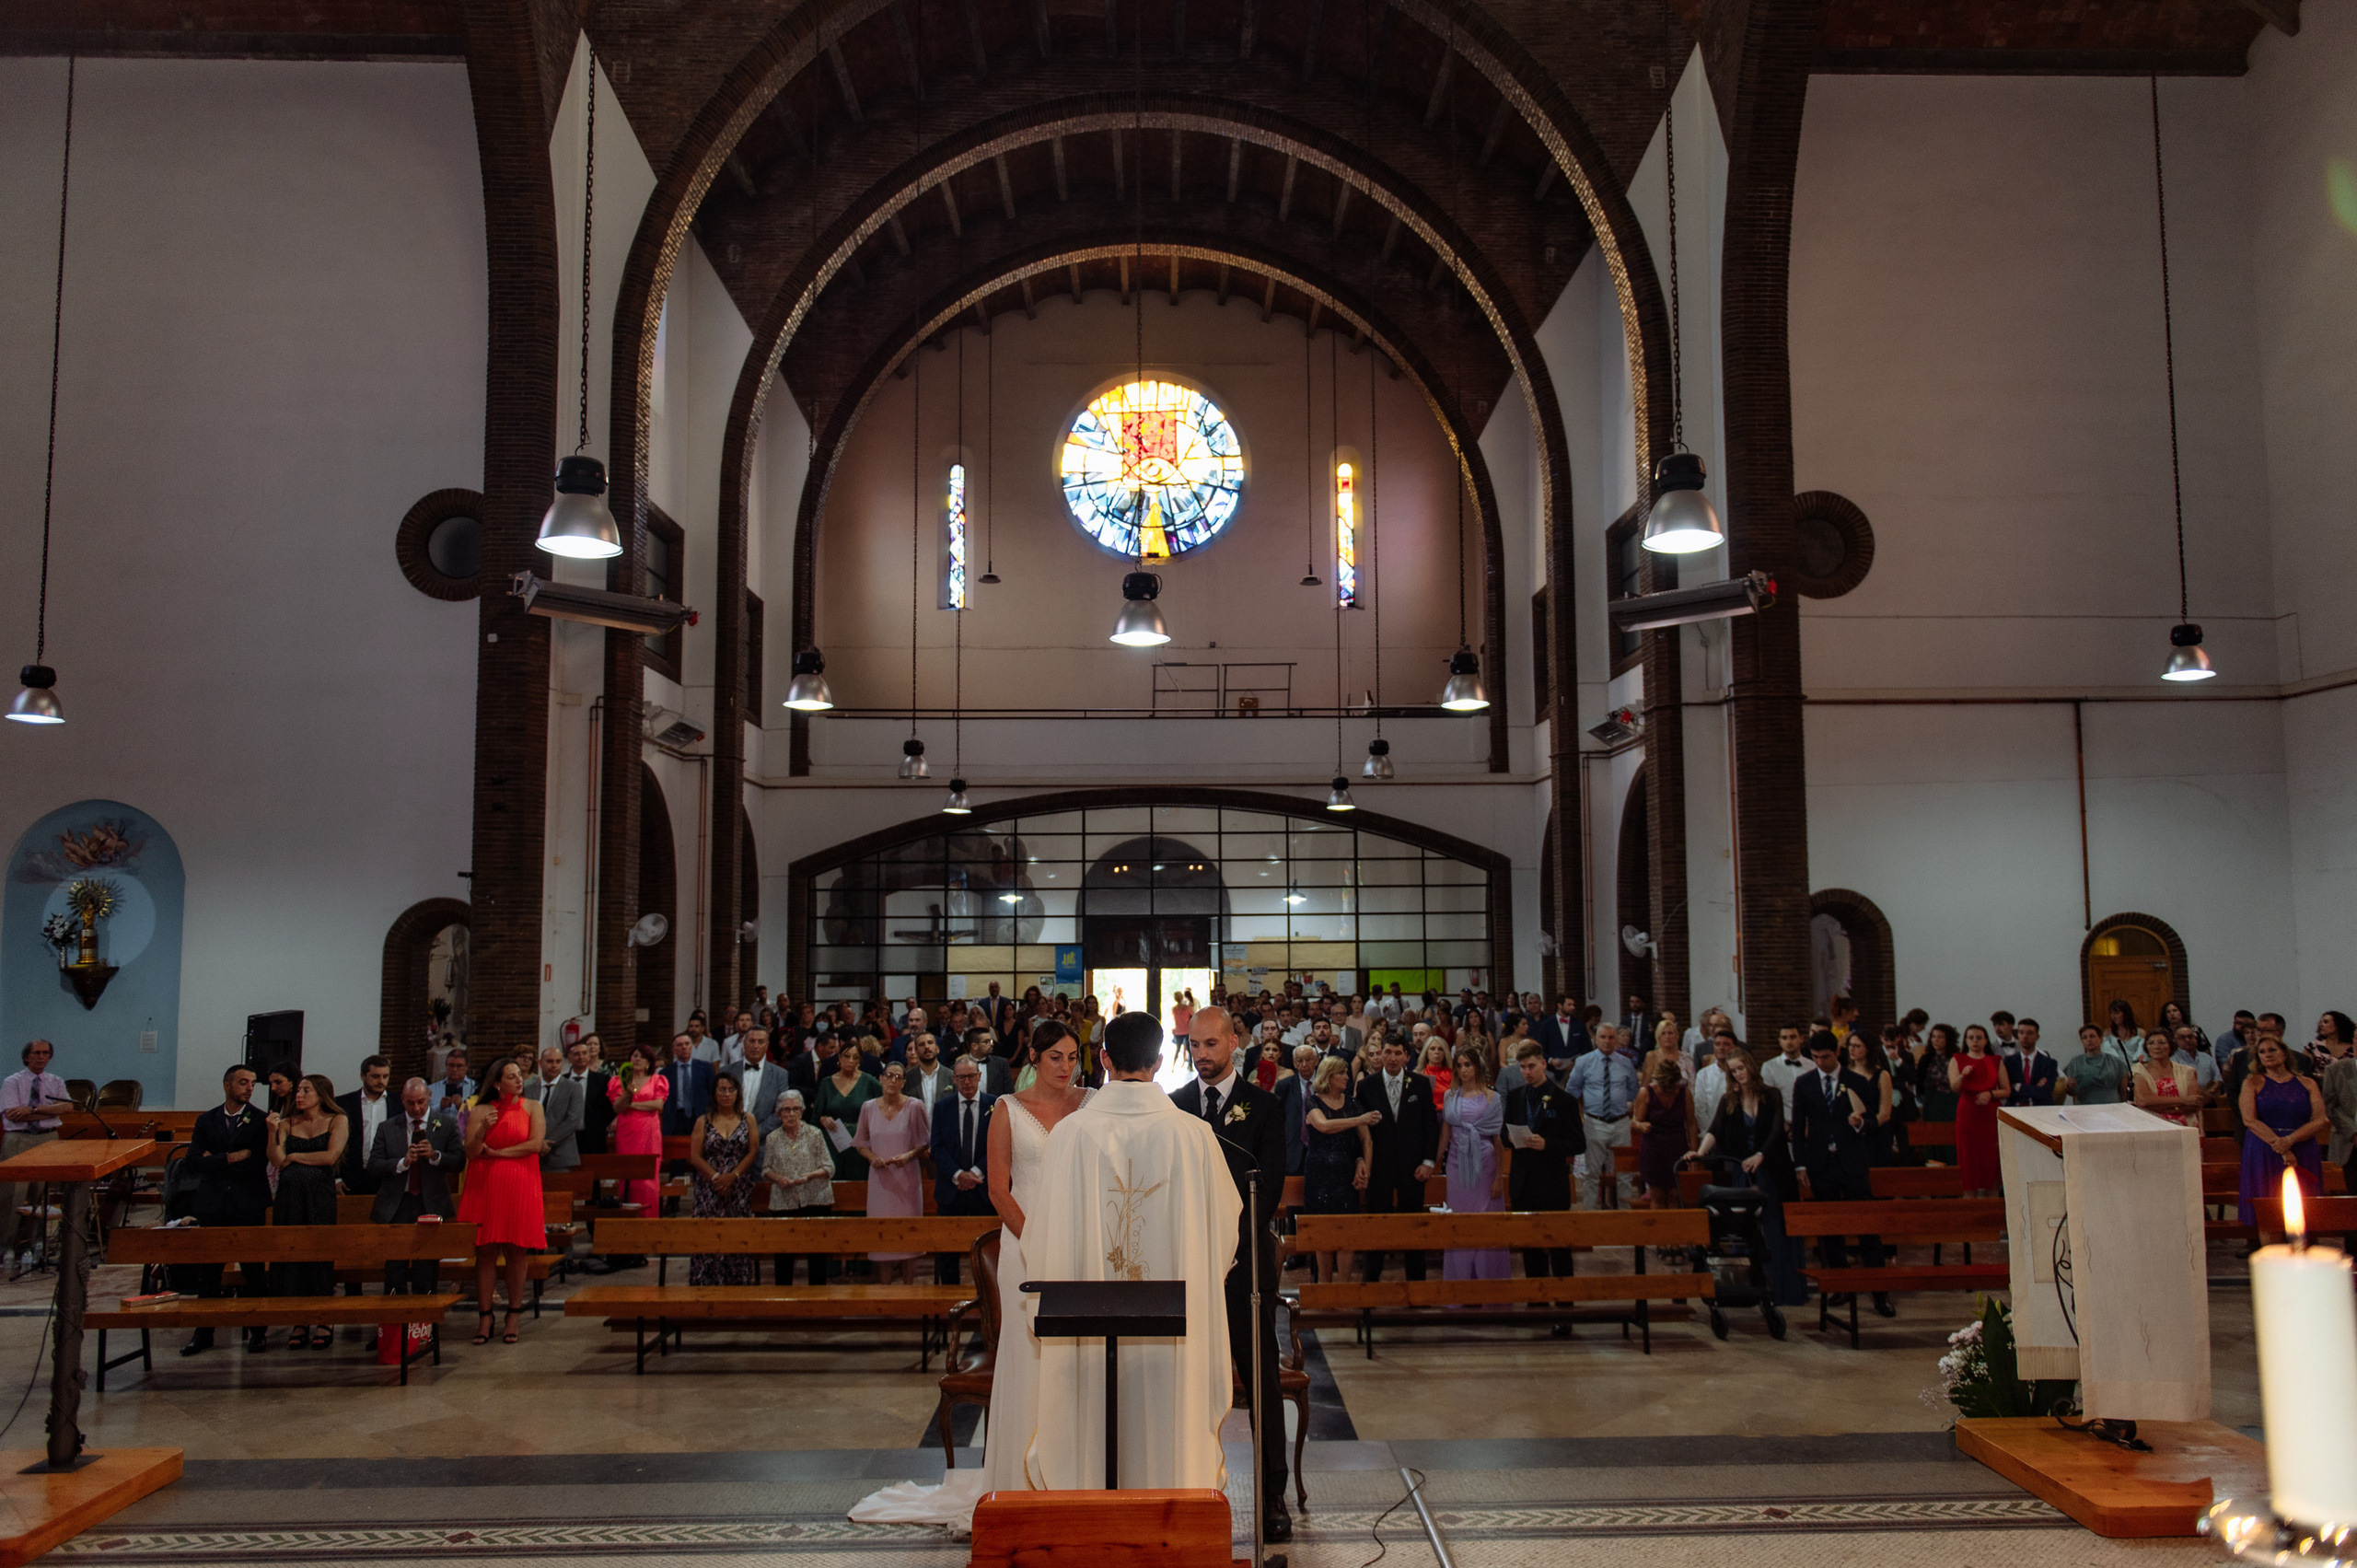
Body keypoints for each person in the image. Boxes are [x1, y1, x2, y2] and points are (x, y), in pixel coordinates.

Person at [1167, 1006, 1289, 1539]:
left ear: (1234, 1043)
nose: (1203, 1055)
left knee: (1260, 1379)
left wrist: (1233, 1245)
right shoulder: (1174, 1108)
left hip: (1244, 1269)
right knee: (1185, 1383)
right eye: (1195, 1046)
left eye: (1212, 1045)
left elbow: (1272, 1184)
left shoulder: (1262, 1106)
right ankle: (1188, 1490)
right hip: (1191, 1268)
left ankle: (1273, 1497)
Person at [1682, 1050, 1805, 1305]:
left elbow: (1775, 1132)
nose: (1739, 1074)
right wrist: (1700, 1152)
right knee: (1744, 1227)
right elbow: (1715, 1129)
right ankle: (1747, 1290)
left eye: (1741, 1068)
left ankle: (1779, 1290)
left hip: (1772, 1170)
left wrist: (1761, 1154)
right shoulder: (1730, 1099)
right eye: (1733, 1071)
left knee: (1772, 1230)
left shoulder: (1771, 1095)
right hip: (1744, 1172)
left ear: (1750, 1066)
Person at [175, 1064, 273, 1355]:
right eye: (243, 1082)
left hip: (248, 1202)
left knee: (253, 1271)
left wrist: (214, 1159)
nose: (249, 1088)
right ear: (227, 1085)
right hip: (213, 1202)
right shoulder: (207, 1120)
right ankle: (203, 1333)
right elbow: (192, 1162)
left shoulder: (259, 1120)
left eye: (253, 1083)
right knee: (210, 1273)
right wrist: (230, 1158)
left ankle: (257, 1332)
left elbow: (256, 1163)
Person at [1791, 1032, 1890, 1316]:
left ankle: (1879, 1292)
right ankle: (1840, 1284)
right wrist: (1800, 1165)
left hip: (1853, 1162)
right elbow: (1798, 1128)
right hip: (1821, 1163)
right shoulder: (1805, 1083)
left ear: (1837, 1052)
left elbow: (1873, 1119)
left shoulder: (1856, 1081)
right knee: (1830, 1229)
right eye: (1816, 1058)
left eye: (1826, 1057)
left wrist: (1860, 1124)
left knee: (1867, 1227)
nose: (1821, 1062)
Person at [458, 1058, 548, 1345]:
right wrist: (482, 1129)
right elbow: (471, 1152)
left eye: (519, 1075)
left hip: (520, 1184)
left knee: (517, 1252)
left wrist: (497, 1154)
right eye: (511, 1076)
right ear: (497, 1083)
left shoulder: (533, 1107)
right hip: (485, 1186)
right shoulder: (481, 1110)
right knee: (485, 1252)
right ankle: (485, 1316)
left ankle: (513, 1314)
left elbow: (535, 1144)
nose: (519, 1080)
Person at [367, 1077, 465, 1313]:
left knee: (426, 1267)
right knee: (395, 1266)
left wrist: (435, 1156)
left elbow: (459, 1162)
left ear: (429, 1097)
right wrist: (403, 1162)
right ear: (402, 1100)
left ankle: (424, 1325)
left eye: (421, 1102)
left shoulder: (447, 1123)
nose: (417, 1108)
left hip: (430, 1202)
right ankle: (393, 1326)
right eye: (411, 1103)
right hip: (398, 1203)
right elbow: (374, 1165)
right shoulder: (388, 1127)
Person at [265, 1073, 347, 1348]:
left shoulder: (337, 1120)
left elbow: (330, 1156)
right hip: (290, 1200)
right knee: (294, 1259)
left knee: (319, 1257)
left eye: (306, 1090)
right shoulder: (288, 1123)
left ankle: (324, 1318)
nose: (299, 1095)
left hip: (320, 1198)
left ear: (321, 1095)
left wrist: (297, 1156)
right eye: (298, 1090)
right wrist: (271, 1131)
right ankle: (299, 1320)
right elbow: (277, 1160)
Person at [1356, 1037, 1440, 1283]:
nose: (1392, 1058)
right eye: (1388, 1052)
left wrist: (1428, 1162)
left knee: (1413, 1226)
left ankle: (1417, 1285)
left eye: (1398, 1053)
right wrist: (1362, 1161)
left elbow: (1430, 1127)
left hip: (1412, 1168)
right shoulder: (1366, 1086)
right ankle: (1371, 1284)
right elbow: (1361, 1131)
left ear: (1407, 1056)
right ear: (1380, 1055)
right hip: (1378, 1168)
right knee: (1376, 1226)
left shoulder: (1421, 1085)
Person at [1504, 1041, 1582, 1290]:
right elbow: (1504, 1133)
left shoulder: (1564, 1100)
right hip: (1523, 1182)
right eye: (1522, 1067)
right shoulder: (1515, 1096)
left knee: (1559, 1247)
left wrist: (1547, 1144)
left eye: (1531, 1066)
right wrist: (1512, 1139)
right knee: (1530, 1247)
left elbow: (1578, 1144)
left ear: (1543, 1065)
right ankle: (1536, 1298)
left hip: (1552, 1182)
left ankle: (1564, 1301)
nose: (1526, 1072)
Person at [2237, 1036, 2327, 1229]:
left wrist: (2290, 1140)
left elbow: (2319, 1119)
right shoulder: (2252, 1082)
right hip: (2264, 1149)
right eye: (2262, 1052)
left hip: (2302, 1148)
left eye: (2272, 1050)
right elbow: (2249, 1120)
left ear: (2284, 1053)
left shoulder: (2308, 1083)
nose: (2267, 1055)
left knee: (2305, 1210)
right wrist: (2279, 1145)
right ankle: (2272, 1256)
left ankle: (2303, 1253)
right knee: (2269, 1212)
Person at [1436, 1047, 1509, 1281]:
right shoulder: (1451, 1095)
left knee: (1486, 1222)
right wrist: (1433, 1163)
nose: (1463, 1070)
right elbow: (1445, 1134)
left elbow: (1497, 1140)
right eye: (1459, 1065)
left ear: (1477, 1067)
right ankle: (1461, 1284)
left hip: (1485, 1165)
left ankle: (1487, 1283)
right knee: (1459, 1221)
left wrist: (1499, 1177)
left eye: (1468, 1064)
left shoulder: (1492, 1096)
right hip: (1457, 1165)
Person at [853, 1062, 930, 1284]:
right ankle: (885, 1288)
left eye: (898, 1077)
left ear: (904, 1083)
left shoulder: (915, 1106)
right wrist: (872, 1157)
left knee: (908, 1234)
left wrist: (907, 1156)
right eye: (889, 1076)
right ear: (881, 1078)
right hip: (880, 1180)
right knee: (882, 1233)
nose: (893, 1081)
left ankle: (909, 1287)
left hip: (907, 1178)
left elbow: (924, 1142)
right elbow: (861, 1143)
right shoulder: (868, 1108)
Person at [1300, 1057, 1375, 1283]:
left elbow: (1367, 1140)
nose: (1346, 1077)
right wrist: (1358, 1119)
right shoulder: (1312, 1101)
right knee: (1322, 1236)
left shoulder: (1351, 1103)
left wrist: (1365, 1168)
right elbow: (1323, 1126)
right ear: (1328, 1076)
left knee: (1346, 1235)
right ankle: (1325, 1290)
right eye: (1340, 1073)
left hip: (1345, 1175)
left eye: (1346, 1073)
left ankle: (1343, 1290)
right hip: (1319, 1175)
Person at [1, 1040, 72, 1264]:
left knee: (39, 1194)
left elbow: (67, 1107)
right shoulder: (12, 1082)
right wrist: (49, 1112)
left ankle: (32, 1245)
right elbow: (13, 1114)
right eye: (36, 1053)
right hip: (19, 1139)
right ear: (26, 1057)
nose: (41, 1057)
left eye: (45, 1053)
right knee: (13, 1194)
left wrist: (33, 1109)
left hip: (47, 1139)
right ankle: (7, 1246)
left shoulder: (55, 1081)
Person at [687, 1071, 760, 1284]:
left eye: (731, 1090)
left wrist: (733, 1176)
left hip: (739, 1185)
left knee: (737, 1236)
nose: (727, 1094)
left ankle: (738, 1285)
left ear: (737, 1093)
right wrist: (718, 1177)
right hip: (709, 1185)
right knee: (709, 1235)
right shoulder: (703, 1121)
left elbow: (753, 1151)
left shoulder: (748, 1119)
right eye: (722, 1090)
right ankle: (705, 1285)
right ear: (714, 1094)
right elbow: (694, 1156)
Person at [929, 1055, 996, 1285]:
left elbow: (1000, 1146)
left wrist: (976, 1173)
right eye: (961, 1077)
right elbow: (936, 1147)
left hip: (984, 1190)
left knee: (987, 1250)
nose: (967, 1082)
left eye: (971, 1076)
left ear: (979, 1077)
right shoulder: (942, 1108)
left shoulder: (995, 1105)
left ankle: (989, 1298)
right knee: (947, 1250)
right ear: (954, 1079)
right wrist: (959, 1175)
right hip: (951, 1188)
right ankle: (949, 1298)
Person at [761, 1090, 835, 1283]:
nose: (791, 1114)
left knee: (816, 1254)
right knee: (784, 1254)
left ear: (802, 1112)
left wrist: (809, 1176)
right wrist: (779, 1178)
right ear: (778, 1114)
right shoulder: (773, 1138)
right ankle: (784, 1299)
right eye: (786, 1110)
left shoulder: (814, 1134)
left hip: (815, 1199)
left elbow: (829, 1167)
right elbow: (766, 1169)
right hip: (784, 1201)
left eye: (795, 1109)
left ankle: (817, 1298)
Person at [1566, 1023, 1640, 1207]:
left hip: (1620, 1122)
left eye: (1611, 1038)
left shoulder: (1625, 1062)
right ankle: (1590, 1216)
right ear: (1596, 1039)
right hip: (1594, 1121)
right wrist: (1581, 1111)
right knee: (1592, 1174)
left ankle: (1624, 1216)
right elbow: (1571, 1090)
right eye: (1603, 1037)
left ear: (1616, 1040)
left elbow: (1633, 1090)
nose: (1607, 1041)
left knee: (1624, 1173)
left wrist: (1620, 1101)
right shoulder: (1584, 1062)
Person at [606, 1041, 668, 1216]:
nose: (638, 1059)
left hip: (649, 1132)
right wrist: (628, 1093)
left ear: (649, 1062)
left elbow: (657, 1104)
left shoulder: (657, 1080)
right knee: (629, 1177)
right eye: (635, 1055)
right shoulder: (618, 1081)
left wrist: (632, 1105)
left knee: (648, 1178)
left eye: (642, 1056)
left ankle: (649, 1218)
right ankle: (627, 1217)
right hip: (627, 1132)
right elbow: (617, 1108)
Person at [1947, 1025, 2005, 1195]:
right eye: (1971, 1037)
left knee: (1991, 1158)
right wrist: (1962, 1075)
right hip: (1968, 1114)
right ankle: (1969, 1202)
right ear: (1965, 1041)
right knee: (1969, 1159)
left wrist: (1991, 1094)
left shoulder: (1995, 1061)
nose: (1975, 1041)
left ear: (1986, 1040)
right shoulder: (1957, 1059)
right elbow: (1955, 1087)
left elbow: (2007, 1089)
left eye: (1979, 1038)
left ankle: (1991, 1201)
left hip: (1990, 1115)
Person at [1630, 1056, 1694, 1207]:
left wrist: (1694, 1151)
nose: (1669, 1090)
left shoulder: (1685, 1093)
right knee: (1657, 1195)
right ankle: (1658, 1229)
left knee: (1675, 1194)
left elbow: (1691, 1123)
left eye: (1673, 1086)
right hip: (1654, 1148)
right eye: (1665, 1087)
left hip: (1677, 1146)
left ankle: (1674, 1230)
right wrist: (1641, 1126)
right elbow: (1634, 1122)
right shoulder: (1646, 1092)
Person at [815, 1041, 882, 1182]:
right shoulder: (826, 1083)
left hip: (860, 1145)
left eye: (855, 1057)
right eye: (847, 1056)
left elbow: (883, 1110)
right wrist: (823, 1119)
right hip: (832, 1142)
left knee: (858, 1188)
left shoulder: (870, 1082)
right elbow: (815, 1116)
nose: (850, 1061)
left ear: (860, 1061)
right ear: (839, 1058)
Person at [334, 1054, 394, 1195]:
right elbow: (333, 1142)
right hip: (351, 1177)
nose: (381, 1081)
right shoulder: (343, 1103)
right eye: (376, 1076)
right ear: (363, 1076)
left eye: (385, 1076)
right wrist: (336, 1178)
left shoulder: (398, 1103)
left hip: (386, 1177)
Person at [523, 1045, 586, 1174]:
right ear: (540, 1063)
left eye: (558, 1062)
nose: (554, 1065)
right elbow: (523, 1119)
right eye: (550, 1061)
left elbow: (573, 1120)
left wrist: (544, 1143)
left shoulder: (573, 1088)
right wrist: (535, 1144)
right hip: (531, 1155)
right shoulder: (528, 1090)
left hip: (560, 1155)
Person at [1845, 1032, 1900, 1167]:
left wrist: (1865, 1125)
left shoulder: (1882, 1075)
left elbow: (1885, 1113)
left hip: (1876, 1134)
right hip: (1851, 1134)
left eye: (1857, 1046)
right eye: (1850, 1045)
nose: (1852, 1049)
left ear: (1868, 1049)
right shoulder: (1845, 1074)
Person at [725, 1028, 789, 1141]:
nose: (755, 1046)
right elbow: (716, 1106)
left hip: (764, 1143)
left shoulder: (780, 1074)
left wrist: (754, 1133)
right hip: (728, 1139)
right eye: (752, 1041)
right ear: (744, 1043)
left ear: (767, 1045)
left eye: (760, 1042)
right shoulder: (726, 1072)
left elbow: (781, 1111)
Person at [2133, 1030, 2205, 1126]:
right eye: (2151, 1043)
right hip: (2152, 1124)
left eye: (2162, 1043)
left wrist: (2157, 1107)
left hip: (2186, 1125)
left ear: (2171, 1046)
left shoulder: (2188, 1071)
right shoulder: (2138, 1070)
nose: (2156, 1047)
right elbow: (2143, 1101)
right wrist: (2183, 1100)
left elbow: (2193, 1103)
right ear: (2146, 1047)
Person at [2058, 1024, 2129, 1107]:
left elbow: (2124, 1091)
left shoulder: (2115, 1062)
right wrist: (2068, 1084)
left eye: (2092, 1036)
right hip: (2084, 1108)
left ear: (2101, 1039)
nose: (2089, 1040)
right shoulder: (2075, 1062)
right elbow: (2065, 1086)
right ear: (2082, 1042)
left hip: (2112, 1107)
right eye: (2085, 1037)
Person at [661, 1032, 716, 1138]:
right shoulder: (665, 1073)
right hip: (676, 1118)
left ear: (691, 1047)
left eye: (687, 1044)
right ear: (674, 1050)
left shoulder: (705, 1068)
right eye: (679, 1045)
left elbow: (714, 1092)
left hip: (700, 1115)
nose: (684, 1047)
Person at [1759, 1025, 1810, 1121]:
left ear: (1801, 1039)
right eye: (1784, 1038)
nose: (1789, 1042)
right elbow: (1768, 1100)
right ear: (1779, 1041)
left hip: (1808, 1124)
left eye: (1793, 1037)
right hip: (1780, 1123)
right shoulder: (1769, 1067)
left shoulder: (1812, 1066)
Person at [575, 1036, 615, 1156]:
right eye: (589, 1044)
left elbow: (610, 1102)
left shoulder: (606, 1074)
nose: (592, 1046)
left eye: (595, 1044)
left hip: (596, 1124)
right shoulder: (572, 1075)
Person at [2006, 1019, 2058, 1108]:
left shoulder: (2049, 1063)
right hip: (2015, 1110)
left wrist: (2017, 1086)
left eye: (2029, 1033)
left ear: (2037, 1036)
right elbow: (2008, 1091)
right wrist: (2035, 1089)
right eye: (2021, 1032)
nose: (2025, 1036)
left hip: (2041, 1110)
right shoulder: (2009, 1061)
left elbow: (2044, 1092)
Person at [428, 1047, 474, 1123]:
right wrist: (439, 1106)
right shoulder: (432, 1089)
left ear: (467, 1067)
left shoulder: (474, 1088)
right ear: (446, 1066)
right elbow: (423, 1114)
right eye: (451, 1065)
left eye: (459, 1066)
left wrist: (461, 1106)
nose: (455, 1069)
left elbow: (478, 1115)